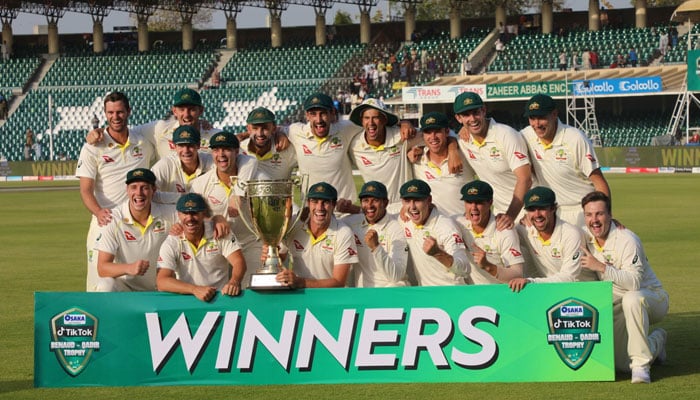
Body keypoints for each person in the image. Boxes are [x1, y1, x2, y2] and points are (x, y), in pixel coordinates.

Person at [580, 191, 668, 383]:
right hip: (616, 304)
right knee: (621, 364)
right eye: (589, 215)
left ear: (610, 215)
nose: (594, 220)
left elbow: (634, 283)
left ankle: (641, 367)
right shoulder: (584, 236)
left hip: (651, 298)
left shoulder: (627, 239)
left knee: (632, 298)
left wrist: (601, 267)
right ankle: (656, 342)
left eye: (600, 214)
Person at [76, 92, 155, 291]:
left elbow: (170, 129)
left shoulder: (142, 141)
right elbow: (86, 190)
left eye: (120, 112)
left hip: (136, 223)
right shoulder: (93, 146)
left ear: (129, 111)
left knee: (138, 278)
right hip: (105, 221)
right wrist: (99, 212)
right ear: (105, 114)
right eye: (110, 112)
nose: (115, 117)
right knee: (100, 282)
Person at [520, 94, 610, 227]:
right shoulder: (525, 136)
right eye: (532, 118)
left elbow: (599, 182)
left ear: (554, 114)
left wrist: (607, 216)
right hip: (550, 212)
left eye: (542, 117)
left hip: (580, 210)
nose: (536, 124)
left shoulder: (574, 138)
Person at [190, 131, 264, 287]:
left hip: (249, 244)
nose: (221, 154)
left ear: (237, 152)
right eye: (216, 150)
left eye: (226, 149)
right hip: (217, 246)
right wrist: (215, 219)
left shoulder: (256, 178)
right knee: (216, 295)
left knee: (252, 293)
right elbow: (194, 217)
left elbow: (251, 161)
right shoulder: (200, 184)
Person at [453, 92, 532, 230]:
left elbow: (525, 179)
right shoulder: (463, 142)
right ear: (458, 118)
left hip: (529, 211)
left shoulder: (505, 134)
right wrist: (451, 148)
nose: (472, 118)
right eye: (466, 115)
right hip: (500, 214)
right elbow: (435, 137)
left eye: (476, 112)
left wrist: (510, 216)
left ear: (483, 110)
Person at [94, 168, 176, 292]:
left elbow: (196, 213)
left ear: (153, 190)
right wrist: (129, 268)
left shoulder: (169, 214)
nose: (139, 193)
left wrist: (183, 229)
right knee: (105, 284)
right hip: (127, 288)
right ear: (127, 190)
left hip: (162, 288)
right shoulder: (113, 219)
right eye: (134, 187)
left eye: (144, 187)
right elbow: (102, 268)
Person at [157, 193, 246, 302]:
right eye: (185, 213)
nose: (190, 218)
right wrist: (195, 289)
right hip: (187, 300)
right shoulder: (172, 242)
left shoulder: (219, 231)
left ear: (203, 213)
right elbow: (162, 281)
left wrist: (234, 281)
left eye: (194, 213)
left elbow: (238, 262)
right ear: (179, 214)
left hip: (221, 299)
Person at [509, 187, 597, 292]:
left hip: (584, 291)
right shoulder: (524, 230)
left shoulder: (571, 234)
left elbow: (569, 277)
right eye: (532, 209)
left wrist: (531, 281)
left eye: (542, 208)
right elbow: (500, 237)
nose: (537, 214)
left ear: (554, 208)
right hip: (550, 291)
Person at [274, 182, 359, 288]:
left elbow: (338, 281)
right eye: (315, 201)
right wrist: (270, 254)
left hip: (331, 299)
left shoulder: (343, 233)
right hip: (300, 296)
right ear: (308, 203)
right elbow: (279, 257)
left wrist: (301, 282)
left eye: (325, 202)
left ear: (333, 205)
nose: (320, 207)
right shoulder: (294, 225)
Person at [286, 93, 362, 204]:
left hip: (344, 211)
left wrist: (397, 123)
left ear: (332, 113)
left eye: (323, 113)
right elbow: (271, 131)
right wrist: (280, 137)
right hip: (312, 213)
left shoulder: (345, 129)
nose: (319, 119)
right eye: (313, 114)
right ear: (307, 116)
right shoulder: (295, 131)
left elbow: (370, 125)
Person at [346, 98, 416, 208]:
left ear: (384, 120)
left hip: (405, 207)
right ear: (362, 121)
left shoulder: (402, 136)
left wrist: (452, 146)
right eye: (367, 118)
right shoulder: (354, 145)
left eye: (375, 118)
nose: (371, 123)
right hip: (376, 210)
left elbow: (433, 136)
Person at [399, 179, 469, 286]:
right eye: (407, 201)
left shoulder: (445, 226)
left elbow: (464, 269)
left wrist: (438, 253)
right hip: (425, 293)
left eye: (417, 200)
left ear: (429, 200)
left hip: (450, 293)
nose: (412, 206)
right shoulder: (405, 220)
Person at [340, 181, 410, 287]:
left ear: (385, 203)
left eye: (375, 200)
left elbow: (396, 276)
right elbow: (329, 224)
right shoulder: (351, 223)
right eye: (365, 200)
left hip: (390, 294)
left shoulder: (396, 228)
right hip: (363, 293)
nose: (369, 205)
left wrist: (376, 247)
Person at [454, 181, 524, 285]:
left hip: (500, 293)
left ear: (490, 202)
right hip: (471, 293)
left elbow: (517, 274)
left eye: (479, 202)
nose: (473, 207)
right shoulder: (458, 223)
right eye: (469, 201)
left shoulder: (504, 231)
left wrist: (487, 266)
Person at [411, 111, 475, 217]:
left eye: (437, 131)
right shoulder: (417, 160)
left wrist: (453, 148)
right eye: (428, 132)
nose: (433, 136)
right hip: (435, 228)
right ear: (422, 135)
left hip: (466, 226)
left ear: (446, 132)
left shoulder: (464, 153)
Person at [151, 125, 214, 196]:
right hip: (171, 207)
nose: (186, 150)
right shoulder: (167, 164)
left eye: (190, 145)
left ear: (198, 145)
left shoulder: (211, 162)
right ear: (174, 146)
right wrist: (181, 198)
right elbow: (148, 190)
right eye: (181, 145)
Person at [239, 107, 297, 180]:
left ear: (274, 128)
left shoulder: (286, 150)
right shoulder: (240, 150)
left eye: (265, 128)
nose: (260, 133)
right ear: (248, 129)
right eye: (255, 128)